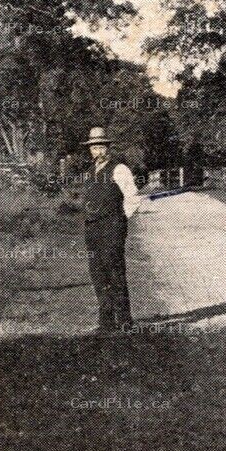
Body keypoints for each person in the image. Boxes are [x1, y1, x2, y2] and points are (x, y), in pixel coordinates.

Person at [81, 126, 140, 329]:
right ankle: (106, 320)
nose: (97, 151)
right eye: (93, 147)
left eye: (100, 146)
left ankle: (124, 320)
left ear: (107, 147)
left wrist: (120, 219)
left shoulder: (119, 169)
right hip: (92, 228)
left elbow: (132, 198)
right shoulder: (90, 171)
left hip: (112, 227)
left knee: (114, 271)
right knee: (97, 273)